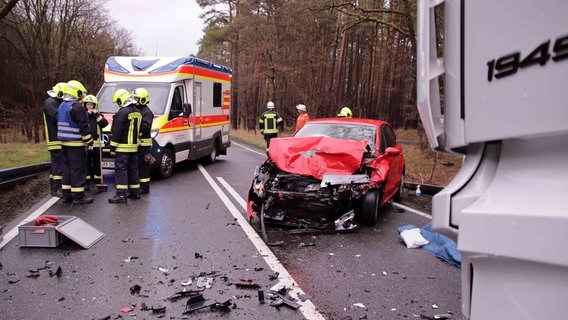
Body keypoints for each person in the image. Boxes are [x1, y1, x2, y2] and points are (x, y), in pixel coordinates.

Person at [57, 80, 93, 204]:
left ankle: (66, 195)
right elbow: (84, 126)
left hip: (63, 144)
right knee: (77, 170)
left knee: (66, 170)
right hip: (76, 144)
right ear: (76, 93)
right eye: (82, 94)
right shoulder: (77, 107)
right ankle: (78, 196)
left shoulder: (62, 105)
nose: (83, 97)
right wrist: (89, 142)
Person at [108, 89, 142, 204]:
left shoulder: (122, 112)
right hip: (134, 147)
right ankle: (135, 191)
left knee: (121, 170)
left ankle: (121, 194)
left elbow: (117, 131)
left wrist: (112, 147)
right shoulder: (137, 111)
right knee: (133, 169)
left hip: (122, 147)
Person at [43, 82, 66, 198]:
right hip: (55, 140)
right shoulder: (51, 103)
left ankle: (55, 186)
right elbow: (58, 118)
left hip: (58, 139)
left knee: (56, 165)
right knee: (58, 165)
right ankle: (56, 188)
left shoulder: (55, 102)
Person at [132, 88, 155, 194]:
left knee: (143, 166)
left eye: (137, 98)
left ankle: (145, 187)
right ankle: (139, 185)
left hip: (144, 145)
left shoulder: (147, 112)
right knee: (137, 165)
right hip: (138, 143)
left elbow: (145, 127)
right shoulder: (137, 110)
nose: (135, 100)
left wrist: (136, 133)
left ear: (142, 99)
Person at [83, 94, 108, 189]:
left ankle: (98, 181)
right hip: (87, 143)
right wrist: (88, 114)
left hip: (97, 144)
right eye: (87, 105)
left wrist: (96, 115)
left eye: (91, 105)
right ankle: (86, 182)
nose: (89, 107)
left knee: (98, 164)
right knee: (86, 163)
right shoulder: (84, 115)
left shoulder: (98, 115)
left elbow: (104, 124)